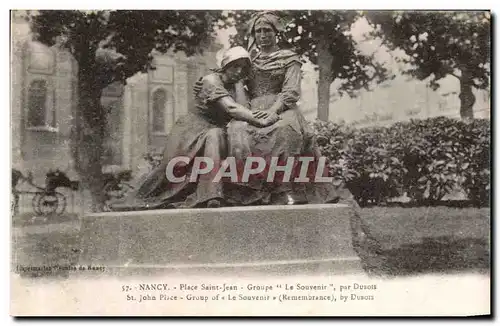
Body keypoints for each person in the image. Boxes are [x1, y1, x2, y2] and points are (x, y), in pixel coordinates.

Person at [109, 46, 280, 211]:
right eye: (235, 66)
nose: (239, 71)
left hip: (214, 133)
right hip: (190, 131)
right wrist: (262, 122)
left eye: (243, 68)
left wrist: (239, 84)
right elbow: (232, 109)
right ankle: (206, 194)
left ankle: (212, 195)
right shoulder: (211, 80)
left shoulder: (236, 87)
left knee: (217, 135)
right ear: (225, 66)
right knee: (167, 177)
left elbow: (243, 109)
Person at [222, 11, 354, 206]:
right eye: (258, 31)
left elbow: (291, 91)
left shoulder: (289, 58)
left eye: (267, 30)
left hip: (282, 107)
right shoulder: (250, 62)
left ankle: (285, 189)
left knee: (284, 130)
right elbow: (240, 96)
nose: (263, 35)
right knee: (237, 129)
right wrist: (245, 99)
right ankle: (246, 190)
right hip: (253, 108)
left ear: (277, 33)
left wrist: (272, 111)